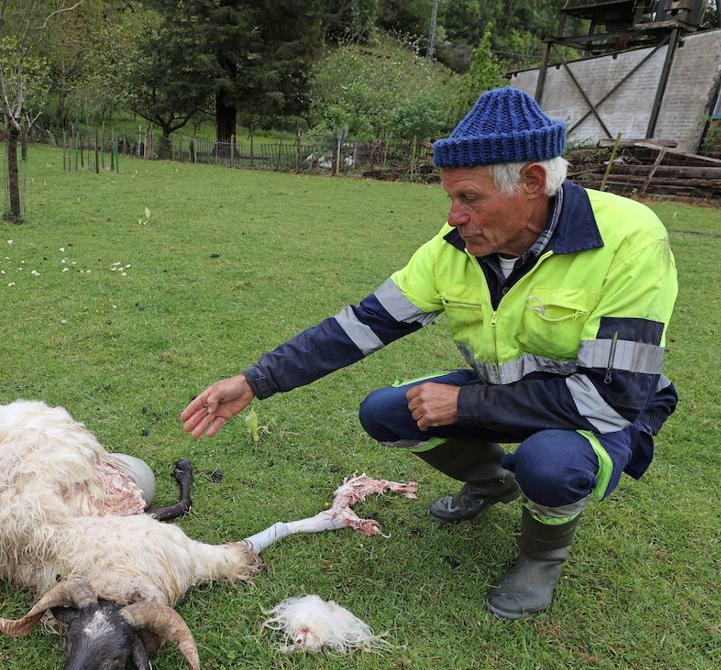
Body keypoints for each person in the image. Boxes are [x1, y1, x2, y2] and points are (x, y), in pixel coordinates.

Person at [181, 87, 679, 620]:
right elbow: (361, 325)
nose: (453, 216)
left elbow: (615, 398)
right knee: (387, 411)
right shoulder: (452, 247)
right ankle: (493, 482)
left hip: (598, 409)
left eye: (469, 198)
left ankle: (541, 558)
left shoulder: (628, 238)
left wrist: (468, 407)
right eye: (450, 199)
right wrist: (256, 380)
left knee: (550, 463)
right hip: (507, 392)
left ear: (532, 182)